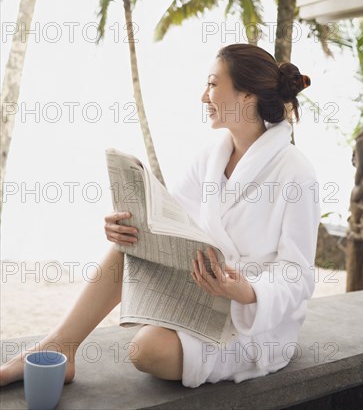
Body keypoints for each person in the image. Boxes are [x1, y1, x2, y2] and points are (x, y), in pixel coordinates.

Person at [0, 43, 320, 389]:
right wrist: (125, 225)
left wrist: (246, 291)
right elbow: (170, 221)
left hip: (255, 323)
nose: (203, 96)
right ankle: (60, 347)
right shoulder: (210, 157)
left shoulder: (296, 172)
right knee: (133, 239)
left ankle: (66, 347)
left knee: (147, 350)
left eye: (212, 84)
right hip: (204, 293)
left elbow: (298, 275)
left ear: (246, 95)